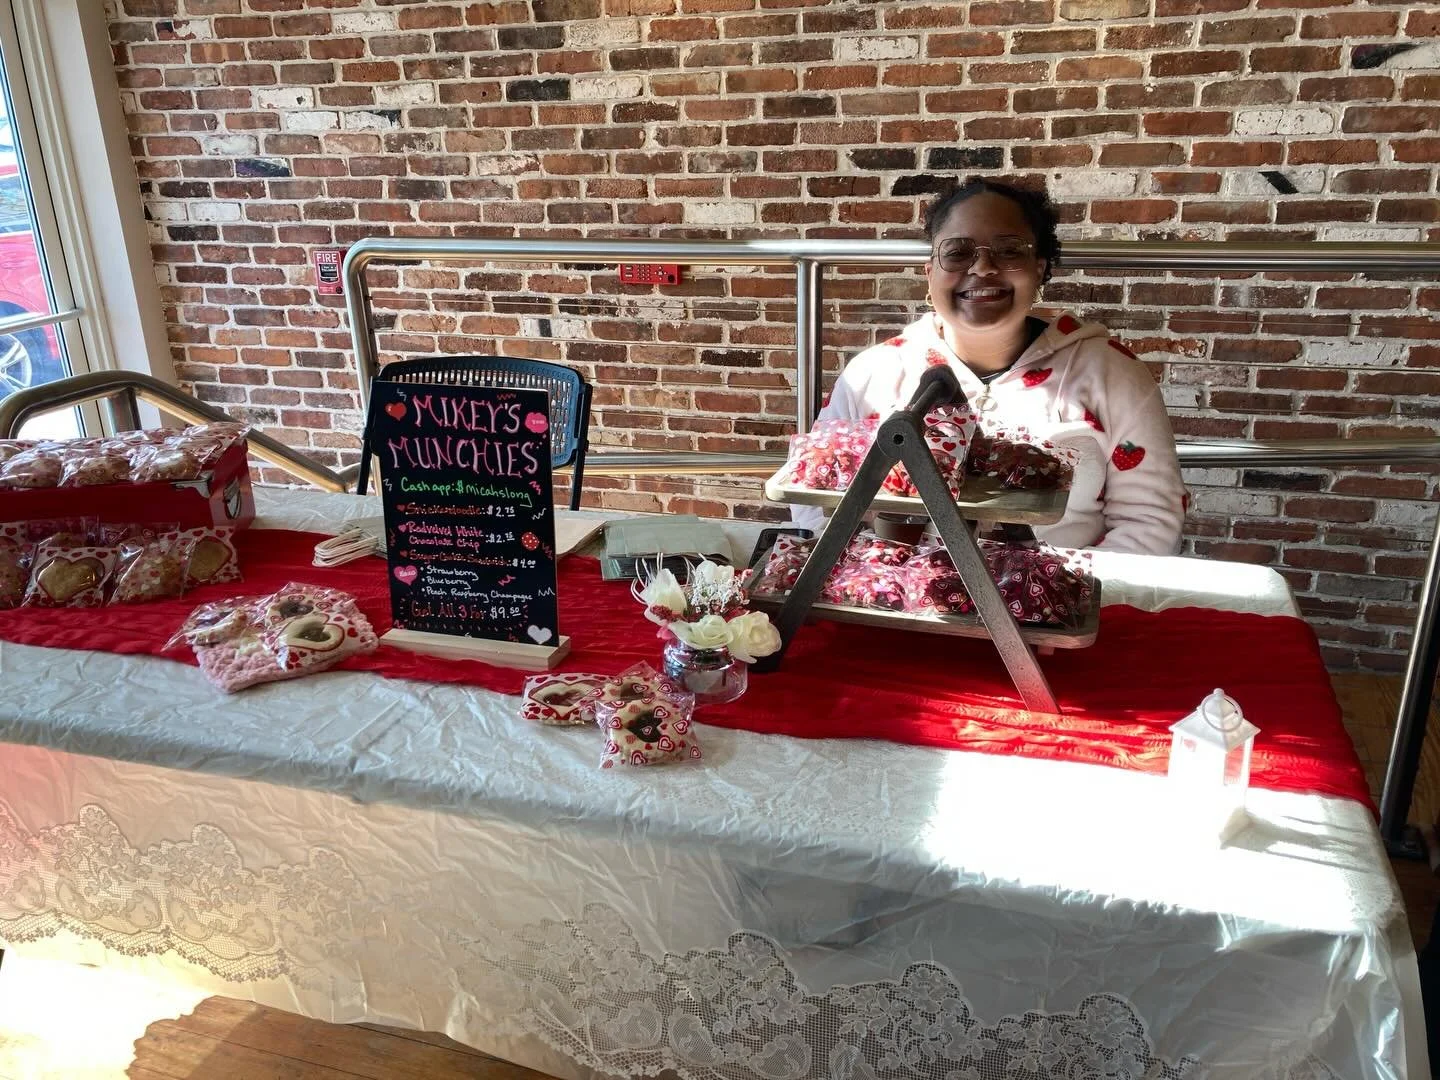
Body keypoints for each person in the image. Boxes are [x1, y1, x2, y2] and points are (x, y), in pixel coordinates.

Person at [792, 178, 1185, 556]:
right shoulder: (872, 375)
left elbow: (1148, 522)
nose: (982, 267)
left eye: (1009, 250)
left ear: (1040, 269)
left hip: (1060, 609)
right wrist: (878, 585)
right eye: (958, 252)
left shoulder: (1112, 375)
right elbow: (814, 505)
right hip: (897, 606)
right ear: (930, 273)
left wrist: (1057, 598)